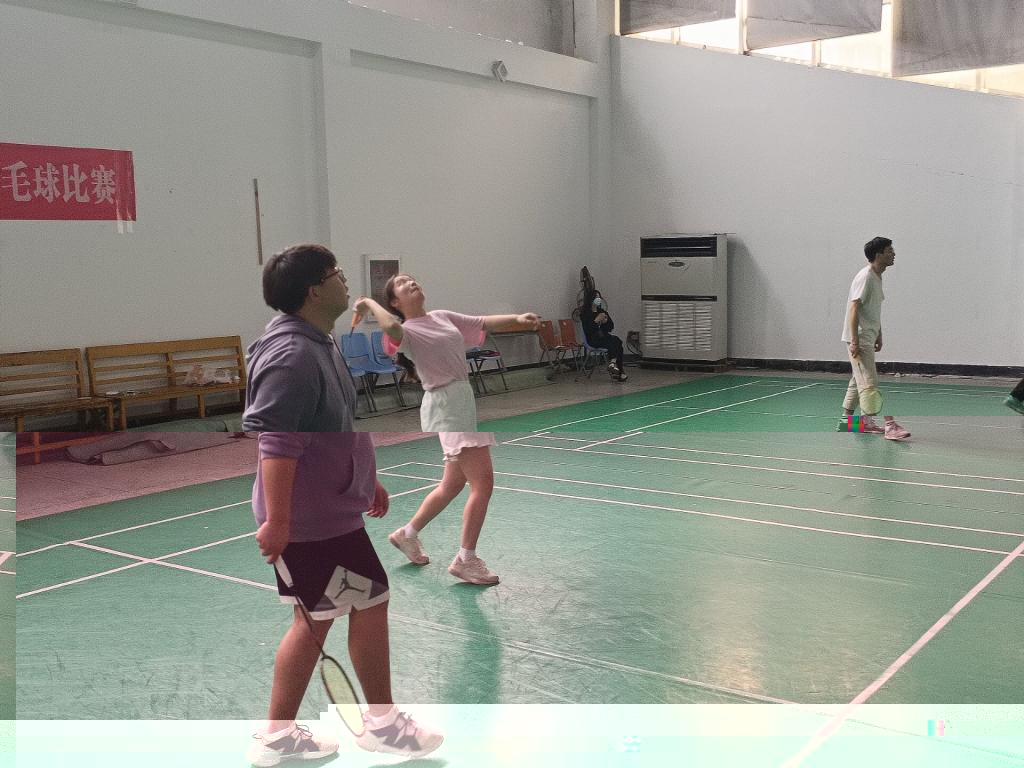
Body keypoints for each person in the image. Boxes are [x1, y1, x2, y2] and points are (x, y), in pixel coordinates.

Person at [248, 432, 443, 766]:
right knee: (329, 615)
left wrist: (366, 480)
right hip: (310, 519)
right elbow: (278, 440)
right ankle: (381, 724)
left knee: (354, 606)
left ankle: (282, 736)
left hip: (330, 513)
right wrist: (278, 520)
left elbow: (340, 430)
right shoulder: (290, 391)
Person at [353, 275, 540, 585]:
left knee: (452, 483)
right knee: (483, 483)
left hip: (461, 400)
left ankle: (407, 534)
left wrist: (517, 318)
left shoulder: (442, 316)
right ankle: (466, 559)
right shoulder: (406, 332)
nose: (411, 282)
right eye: (402, 283)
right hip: (446, 406)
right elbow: (391, 328)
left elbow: (482, 322)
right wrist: (370, 303)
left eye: (411, 279)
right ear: (395, 302)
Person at [243, 243, 358, 432]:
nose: (344, 280)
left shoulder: (321, 340)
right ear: (315, 292)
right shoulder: (292, 358)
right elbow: (264, 436)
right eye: (337, 274)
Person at [839, 236, 910, 440]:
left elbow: (872, 310)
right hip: (860, 338)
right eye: (889, 250)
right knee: (870, 383)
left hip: (868, 336)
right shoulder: (866, 276)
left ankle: (848, 422)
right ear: (878, 255)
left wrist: (879, 333)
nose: (893, 254)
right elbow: (854, 308)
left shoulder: (877, 277)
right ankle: (890, 425)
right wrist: (855, 340)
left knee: (858, 380)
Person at [580, 288, 627, 381]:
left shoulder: (602, 311)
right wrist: (596, 320)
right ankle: (618, 369)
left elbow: (611, 327)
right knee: (615, 342)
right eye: (596, 297)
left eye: (599, 297)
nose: (598, 299)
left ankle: (614, 365)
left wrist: (606, 322)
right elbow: (588, 330)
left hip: (603, 336)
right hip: (593, 338)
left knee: (617, 341)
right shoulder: (585, 314)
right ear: (590, 299)